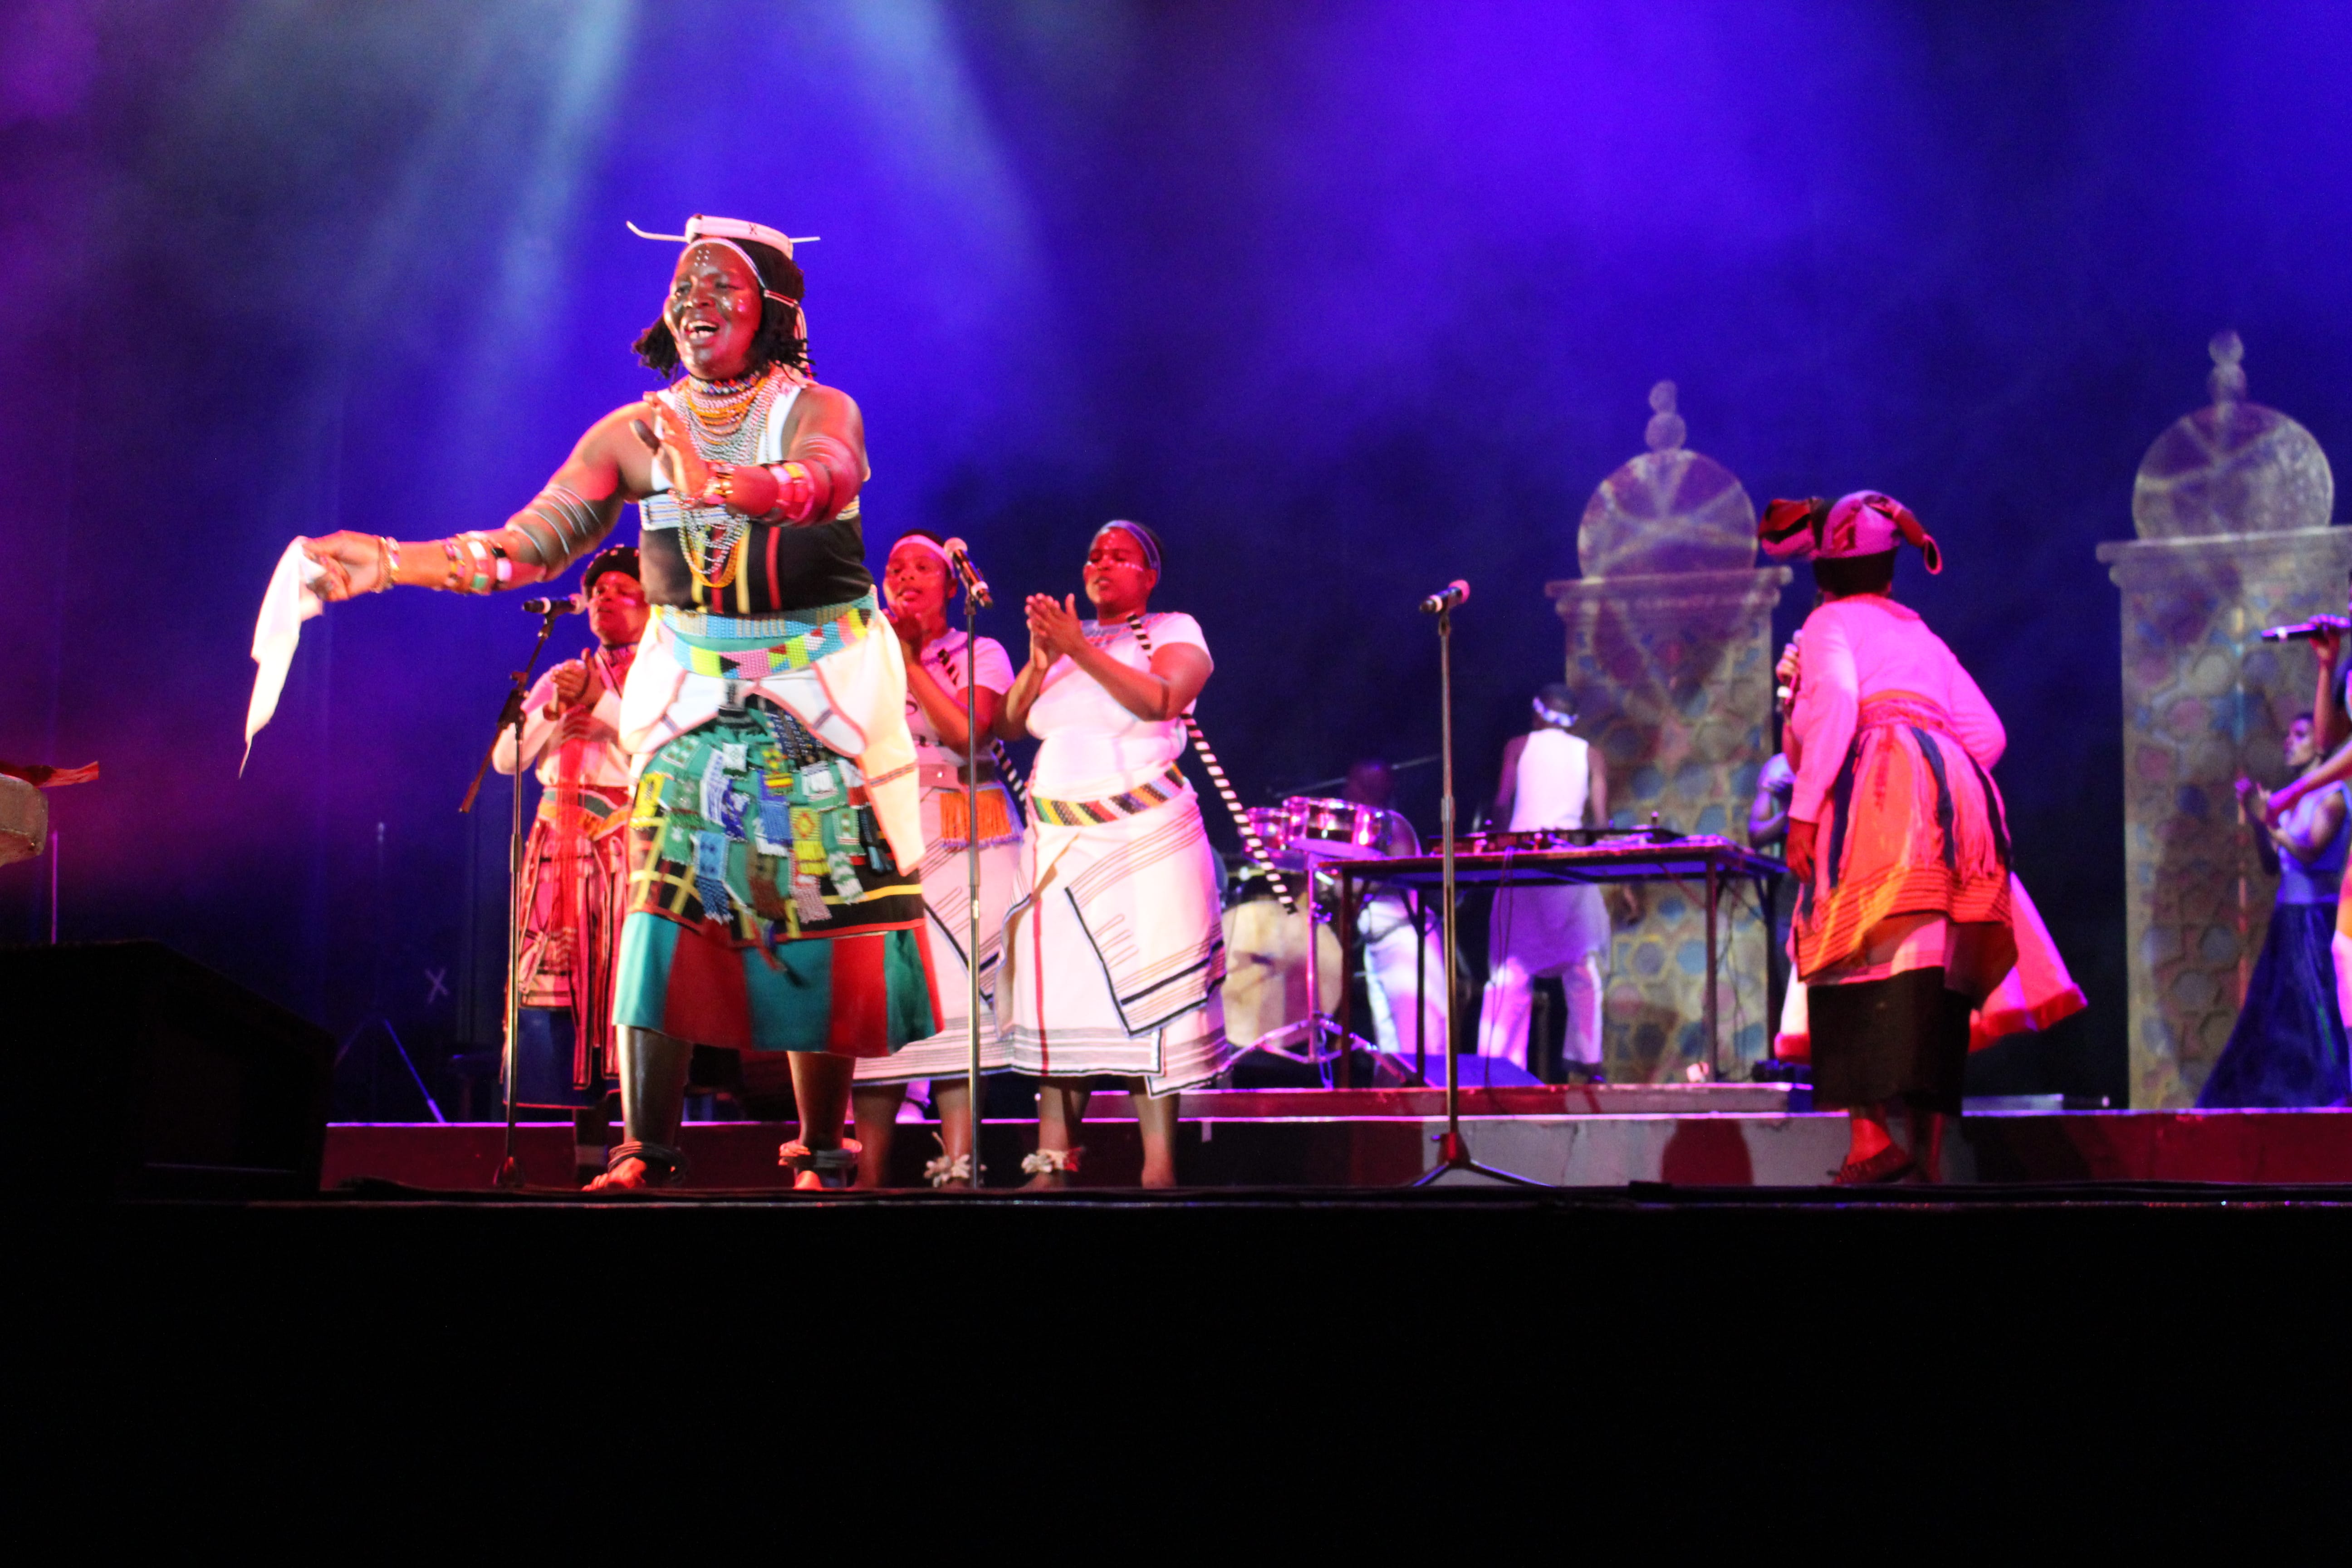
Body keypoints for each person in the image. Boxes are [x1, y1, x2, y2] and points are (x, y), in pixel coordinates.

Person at [300, 215, 933, 1190]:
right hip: (693, 701)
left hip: (818, 697)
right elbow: (528, 542)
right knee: (662, 906)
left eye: (720, 286)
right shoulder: (635, 434)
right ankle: (647, 1145)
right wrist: (387, 564)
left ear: (774, 308)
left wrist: (739, 483)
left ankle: (821, 1144)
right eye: (682, 290)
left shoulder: (820, 409)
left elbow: (828, 477)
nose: (693, 304)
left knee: (818, 908)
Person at [1761, 490, 2014, 1185]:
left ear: (1822, 573)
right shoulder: (1919, 632)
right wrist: (1935, 760)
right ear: (1889, 571)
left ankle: (1873, 1141)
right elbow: (1988, 736)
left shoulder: (1827, 624)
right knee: (1937, 978)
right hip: (1958, 805)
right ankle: (1928, 1163)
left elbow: (1841, 705)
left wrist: (1808, 814)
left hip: (1880, 793)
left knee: (1842, 945)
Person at [994, 521, 1229, 1188]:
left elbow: (1162, 699)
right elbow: (1011, 724)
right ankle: (1053, 1161)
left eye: (1120, 556)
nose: (1101, 563)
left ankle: (1158, 1169)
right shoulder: (1067, 644)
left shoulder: (1173, 627)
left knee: (1150, 998)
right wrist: (1043, 659)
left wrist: (1079, 648)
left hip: (1142, 839)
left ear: (1149, 576)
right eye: (1094, 553)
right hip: (1057, 842)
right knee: (1060, 999)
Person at [848, 530, 1029, 1186]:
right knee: (879, 1012)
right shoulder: (860, 654)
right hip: (881, 837)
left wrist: (910, 660)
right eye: (896, 567)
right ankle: (866, 1170)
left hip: (963, 841)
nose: (907, 576)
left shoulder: (979, 650)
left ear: (951, 586)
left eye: (924, 567)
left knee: (959, 1006)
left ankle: (957, 1163)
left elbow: (968, 732)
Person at [489, 546, 650, 1183]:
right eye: (599, 590)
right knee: (566, 1017)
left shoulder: (660, 675)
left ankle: (643, 1154)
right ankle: (584, 1167)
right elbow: (506, 760)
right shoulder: (564, 673)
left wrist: (603, 707)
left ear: (650, 601)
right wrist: (555, 709)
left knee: (619, 1007)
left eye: (621, 588)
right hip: (556, 855)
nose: (607, 598)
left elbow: (656, 744)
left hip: (621, 852)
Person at [2201, 713, 2352, 1106]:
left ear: (2321, 745)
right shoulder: (2297, 799)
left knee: (2316, 1008)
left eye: (2300, 735)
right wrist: (2257, 821)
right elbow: (2273, 866)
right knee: (2272, 1010)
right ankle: (2275, 1098)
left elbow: (2309, 852)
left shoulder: (2332, 796)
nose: (2289, 742)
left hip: (2314, 919)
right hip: (2288, 918)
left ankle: (2336, 1095)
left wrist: (2271, 822)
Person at [1475, 684, 1610, 1082]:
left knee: (1510, 971)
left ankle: (1498, 1068)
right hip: (1569, 864)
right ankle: (1588, 1060)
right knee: (1583, 967)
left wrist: (1497, 845)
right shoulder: (1592, 754)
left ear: (1537, 715)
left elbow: (1502, 802)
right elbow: (1600, 824)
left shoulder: (1519, 745)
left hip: (1523, 862)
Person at [1342, 760, 1445, 1064]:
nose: (1347, 792)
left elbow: (1389, 873)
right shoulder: (1365, 827)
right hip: (1380, 948)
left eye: (1354, 785)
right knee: (1390, 1049)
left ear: (1367, 790)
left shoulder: (1393, 825)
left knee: (1418, 1046)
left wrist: (1329, 881)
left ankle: (1429, 1110)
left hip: (1405, 944)